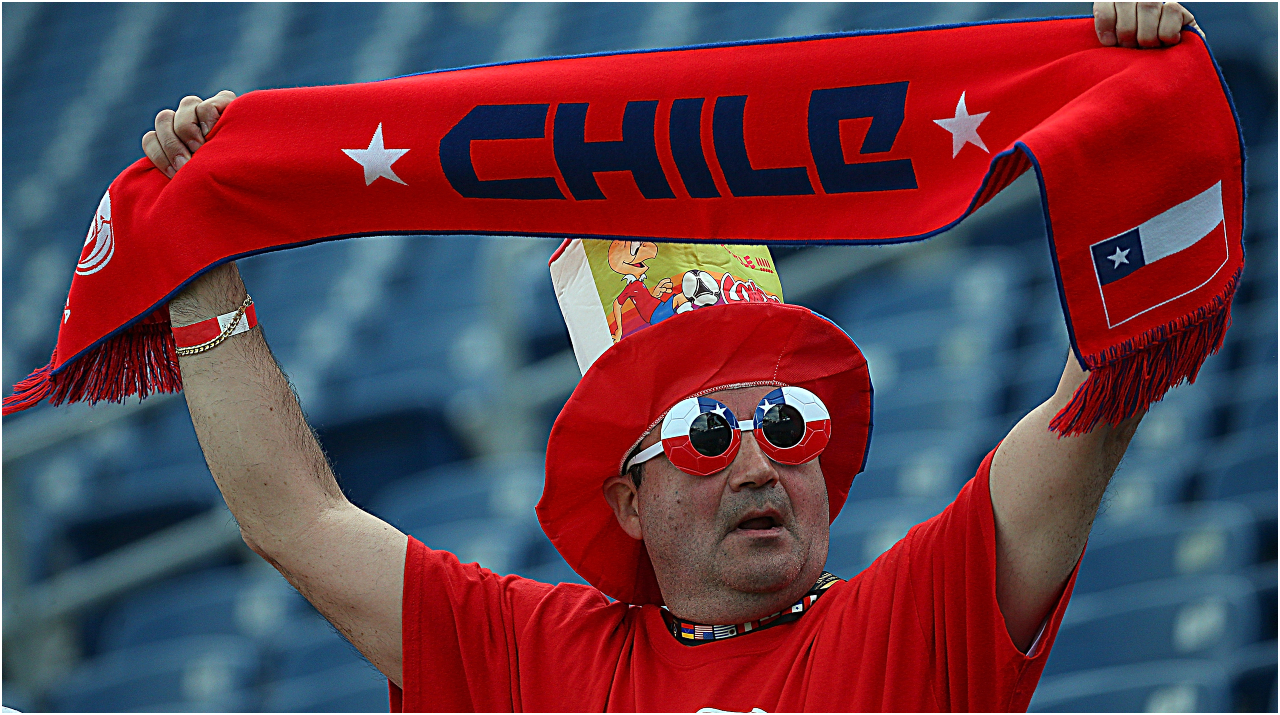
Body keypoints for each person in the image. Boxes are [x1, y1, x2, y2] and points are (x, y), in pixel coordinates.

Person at [141, 3, 1200, 711]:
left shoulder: (920, 616)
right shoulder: (532, 658)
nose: (759, 462)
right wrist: (197, 263)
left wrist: (1139, 116)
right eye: (704, 433)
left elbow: (1094, 401)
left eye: (785, 420)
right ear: (629, 500)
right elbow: (297, 519)